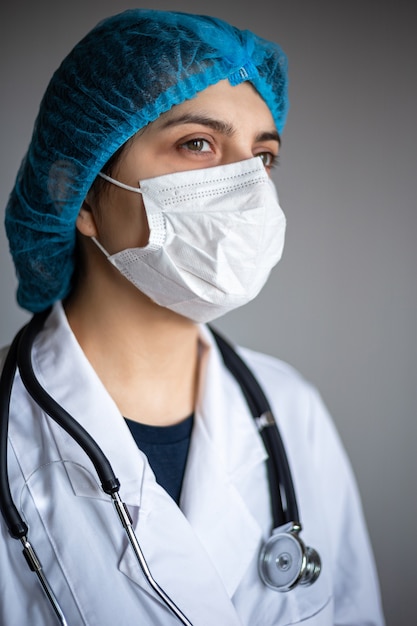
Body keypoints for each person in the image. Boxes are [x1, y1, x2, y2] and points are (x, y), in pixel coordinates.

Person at [0, 8, 385, 626]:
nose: (248, 188)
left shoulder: (293, 411)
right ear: (78, 190)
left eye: (262, 157)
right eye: (198, 143)